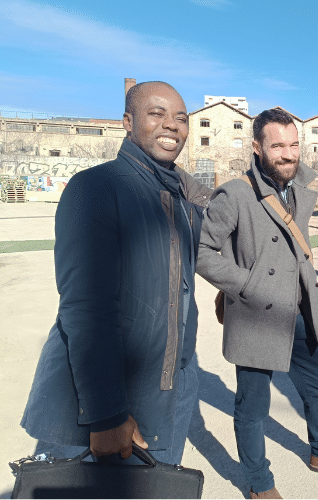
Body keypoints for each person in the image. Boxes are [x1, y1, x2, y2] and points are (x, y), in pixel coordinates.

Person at [21, 81, 210, 465]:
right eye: (157, 114)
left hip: (169, 391)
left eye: (181, 118)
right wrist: (106, 412)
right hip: (102, 403)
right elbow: (86, 307)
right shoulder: (97, 187)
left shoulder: (181, 203)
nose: (172, 126)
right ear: (127, 121)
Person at [196, 108, 318, 498]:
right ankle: (259, 483)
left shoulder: (300, 188)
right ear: (257, 148)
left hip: (299, 310)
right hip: (257, 313)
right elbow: (203, 252)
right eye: (277, 146)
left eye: (293, 145)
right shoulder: (235, 193)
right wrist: (249, 285)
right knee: (253, 405)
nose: (288, 154)